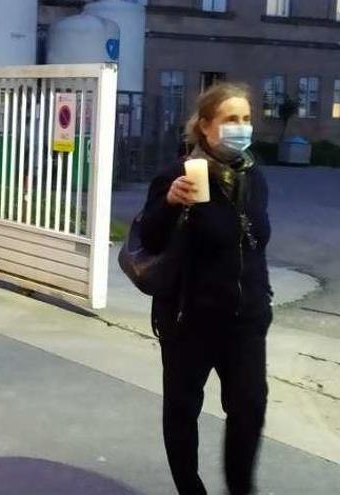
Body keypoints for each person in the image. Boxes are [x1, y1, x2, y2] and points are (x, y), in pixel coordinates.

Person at [139, 83, 271, 495]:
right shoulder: (178, 175)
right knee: (182, 409)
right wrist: (170, 204)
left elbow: (254, 244)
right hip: (189, 319)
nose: (241, 127)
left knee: (249, 409)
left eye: (246, 119)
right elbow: (151, 240)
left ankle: (240, 489)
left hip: (245, 320)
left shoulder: (253, 177)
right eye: (231, 119)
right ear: (206, 126)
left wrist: (261, 300)